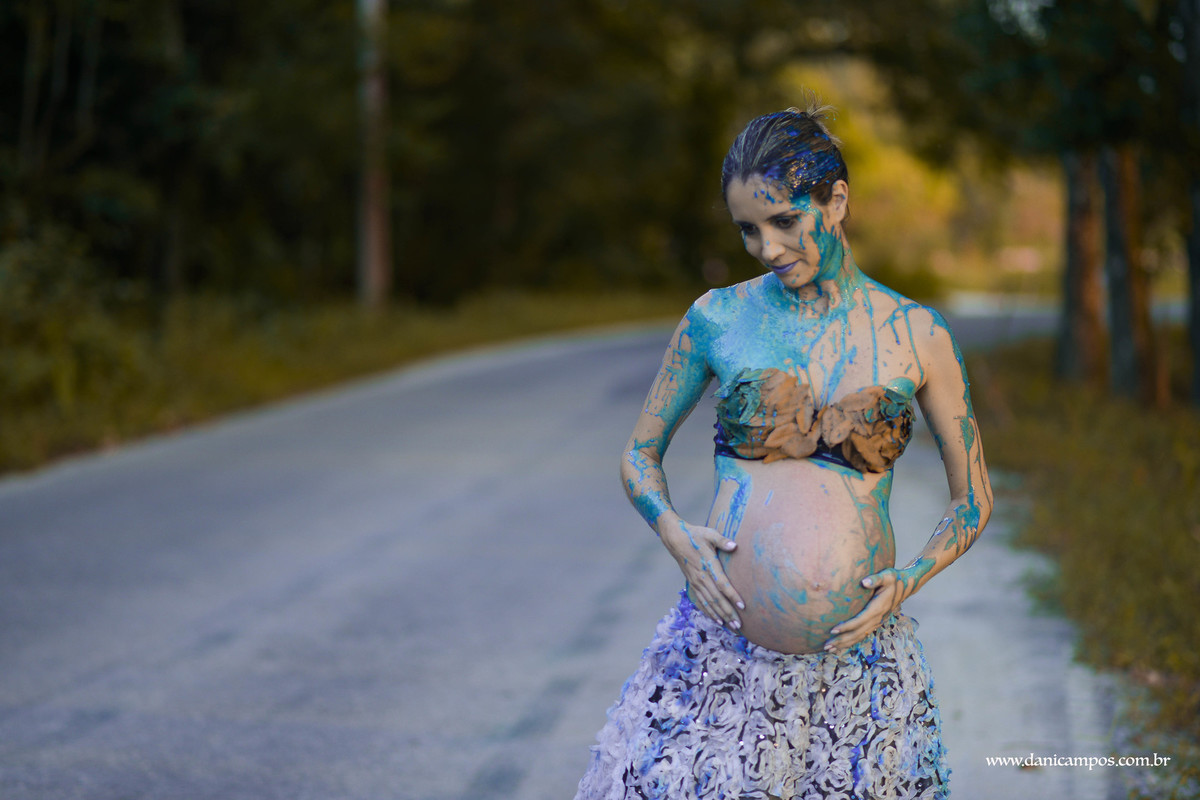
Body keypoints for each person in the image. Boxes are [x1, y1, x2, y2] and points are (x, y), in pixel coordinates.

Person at [574, 101, 993, 800]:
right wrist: (676, 536)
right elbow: (640, 453)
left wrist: (910, 577)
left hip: (859, 671)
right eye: (748, 229)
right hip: (722, 657)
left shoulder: (918, 334)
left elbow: (973, 498)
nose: (767, 248)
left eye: (785, 221)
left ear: (836, 201)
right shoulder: (718, 318)